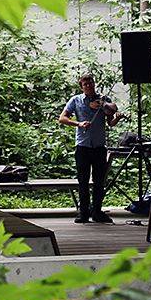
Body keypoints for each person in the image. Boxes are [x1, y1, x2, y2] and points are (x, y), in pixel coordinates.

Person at [58, 74, 125, 224]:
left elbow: (111, 123)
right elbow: (63, 118)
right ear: (82, 87)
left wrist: (117, 118)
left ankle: (97, 211)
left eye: (91, 83)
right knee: (83, 180)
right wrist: (79, 124)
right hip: (83, 146)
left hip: (99, 146)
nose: (89, 86)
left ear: (94, 84)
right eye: (85, 84)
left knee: (99, 181)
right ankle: (83, 212)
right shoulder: (75, 100)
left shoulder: (104, 100)